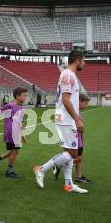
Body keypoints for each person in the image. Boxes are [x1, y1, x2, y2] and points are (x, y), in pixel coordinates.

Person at [33, 51, 88, 194]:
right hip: (66, 119)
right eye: (83, 60)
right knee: (73, 153)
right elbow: (65, 99)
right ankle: (42, 169)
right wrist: (77, 119)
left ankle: (68, 184)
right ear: (76, 60)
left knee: (68, 151)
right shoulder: (68, 74)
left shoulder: (68, 74)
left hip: (64, 117)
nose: (84, 63)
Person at [0, 87, 28, 178]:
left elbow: (20, 122)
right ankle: (9, 171)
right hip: (11, 133)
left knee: (13, 151)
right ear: (17, 96)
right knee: (15, 151)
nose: (25, 97)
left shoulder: (21, 108)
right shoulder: (10, 106)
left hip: (16, 133)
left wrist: (23, 134)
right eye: (24, 96)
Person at [54, 94, 91, 183]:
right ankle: (59, 164)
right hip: (74, 139)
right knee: (78, 158)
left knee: (76, 158)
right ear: (79, 102)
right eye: (85, 103)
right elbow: (74, 126)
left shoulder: (76, 111)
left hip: (76, 138)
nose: (87, 105)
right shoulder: (73, 112)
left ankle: (79, 176)